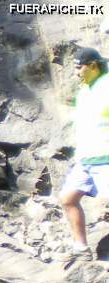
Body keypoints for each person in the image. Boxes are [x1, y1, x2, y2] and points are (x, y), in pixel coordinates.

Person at [59, 47, 109, 264]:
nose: (76, 72)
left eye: (79, 67)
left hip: (106, 157)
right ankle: (81, 248)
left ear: (93, 65)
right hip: (85, 159)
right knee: (67, 199)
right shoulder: (84, 91)